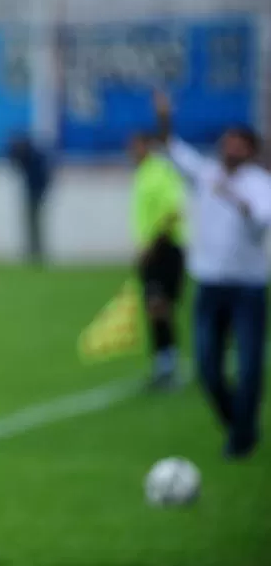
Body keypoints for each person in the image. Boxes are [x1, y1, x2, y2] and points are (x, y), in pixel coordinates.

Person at [154, 93, 271, 459]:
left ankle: (241, 437)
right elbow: (172, 150)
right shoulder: (206, 174)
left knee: (250, 365)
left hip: (248, 289)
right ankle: (236, 422)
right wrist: (165, 118)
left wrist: (235, 197)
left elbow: (260, 220)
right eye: (228, 142)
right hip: (210, 286)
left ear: (250, 151)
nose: (231, 148)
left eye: (239, 144)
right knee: (207, 366)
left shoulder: (258, 184)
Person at [128, 130, 187, 389]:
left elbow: (173, 212)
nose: (132, 152)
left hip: (165, 248)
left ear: (148, 147)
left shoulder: (161, 172)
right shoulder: (143, 174)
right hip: (153, 249)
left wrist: (152, 246)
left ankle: (168, 366)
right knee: (157, 308)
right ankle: (165, 364)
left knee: (159, 306)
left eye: (136, 147)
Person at [7, 133, 53, 264]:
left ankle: (36, 251)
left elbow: (41, 177)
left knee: (33, 223)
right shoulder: (32, 156)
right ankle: (34, 251)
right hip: (34, 192)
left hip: (35, 192)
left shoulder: (33, 157)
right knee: (32, 223)